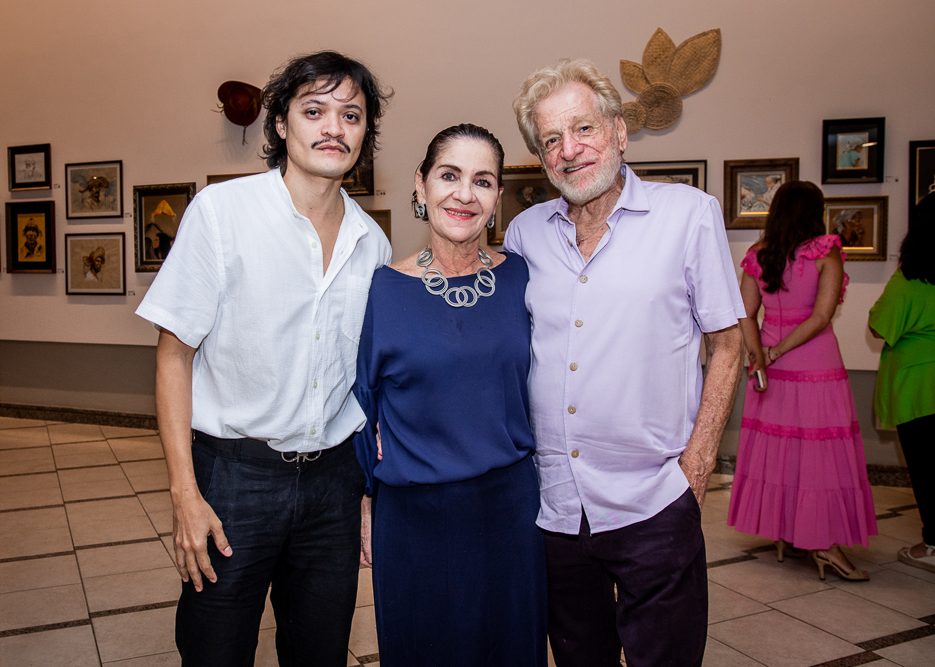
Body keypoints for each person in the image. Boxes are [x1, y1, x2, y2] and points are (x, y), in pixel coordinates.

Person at [134, 51, 392, 667]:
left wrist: (364, 491)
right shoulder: (222, 213)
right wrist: (184, 495)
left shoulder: (373, 244)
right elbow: (173, 357)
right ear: (280, 123)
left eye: (351, 115)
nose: (334, 127)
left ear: (365, 133)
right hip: (235, 477)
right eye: (314, 110)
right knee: (216, 649)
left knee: (319, 651)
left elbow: (365, 385)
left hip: (333, 484)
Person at [504, 59, 745, 667]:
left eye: (582, 129)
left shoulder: (688, 214)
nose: (568, 150)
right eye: (550, 140)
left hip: (655, 498)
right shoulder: (525, 234)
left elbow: (728, 343)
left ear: (619, 132)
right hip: (557, 507)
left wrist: (698, 463)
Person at [354, 124, 547, 666]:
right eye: (449, 175)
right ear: (421, 185)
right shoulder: (381, 290)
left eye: (482, 181)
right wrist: (364, 505)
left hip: (512, 511)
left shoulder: (524, 279)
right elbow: (361, 404)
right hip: (415, 518)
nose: (464, 194)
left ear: (497, 198)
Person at [728, 181, 877, 581]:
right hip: (816, 364)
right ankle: (824, 544)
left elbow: (745, 314)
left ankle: (791, 535)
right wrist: (773, 354)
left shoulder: (758, 254)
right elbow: (821, 317)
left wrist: (760, 355)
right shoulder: (825, 251)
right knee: (820, 459)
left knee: (783, 453)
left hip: (772, 365)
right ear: (815, 211)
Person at [868, 193, 935, 574]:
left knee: (926, 469)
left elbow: (879, 325)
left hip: (918, 385)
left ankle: (932, 544)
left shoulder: (912, 278)